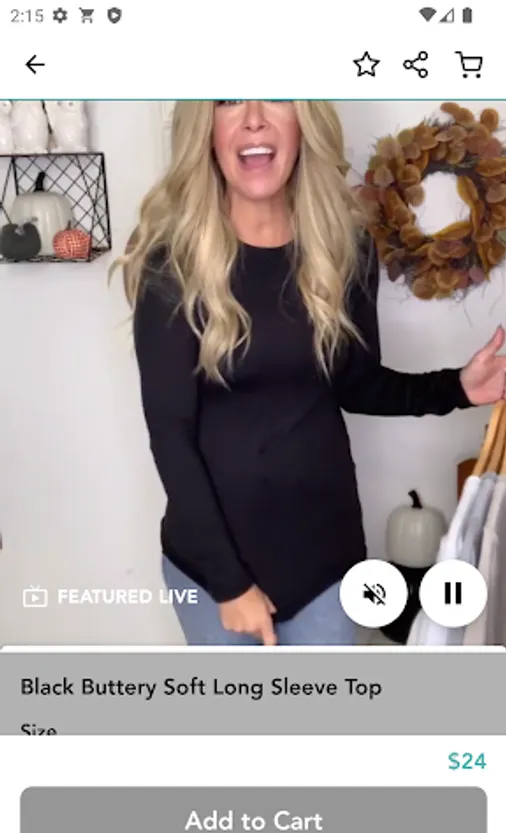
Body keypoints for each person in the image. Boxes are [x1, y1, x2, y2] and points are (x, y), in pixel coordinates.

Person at [115, 100, 506, 647]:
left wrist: (458, 387)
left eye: (276, 95)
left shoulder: (344, 247)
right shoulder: (171, 264)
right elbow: (170, 436)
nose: (253, 117)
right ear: (205, 130)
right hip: (211, 575)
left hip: (328, 567)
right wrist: (230, 586)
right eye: (228, 100)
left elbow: (356, 383)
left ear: (304, 122)